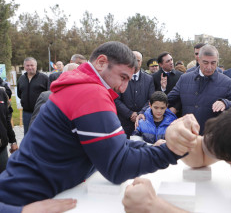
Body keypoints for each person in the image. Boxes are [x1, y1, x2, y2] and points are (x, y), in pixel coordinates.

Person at [0, 41, 197, 208]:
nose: (123, 87)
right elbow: (117, 166)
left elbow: (114, 145)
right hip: (22, 200)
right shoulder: (90, 93)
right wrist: (173, 150)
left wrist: (150, 147)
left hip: (25, 192)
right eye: (123, 77)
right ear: (101, 62)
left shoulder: (81, 87)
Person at [167, 44, 231, 135]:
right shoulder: (184, 79)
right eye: (205, 62)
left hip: (212, 138)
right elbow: (168, 99)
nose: (209, 67)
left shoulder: (227, 82)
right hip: (188, 136)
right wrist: (145, 111)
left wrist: (225, 103)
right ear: (199, 60)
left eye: (213, 63)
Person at [115, 51, 155, 137]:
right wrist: (130, 114)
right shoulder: (120, 78)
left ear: (141, 62)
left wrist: (140, 113)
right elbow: (116, 99)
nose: (135, 63)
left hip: (143, 122)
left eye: (138, 60)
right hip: (124, 122)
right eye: (133, 60)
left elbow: (151, 99)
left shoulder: (149, 79)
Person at [17, 57, 49, 135]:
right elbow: (19, 94)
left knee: (41, 134)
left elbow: (49, 94)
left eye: (32, 65)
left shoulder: (44, 78)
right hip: (26, 113)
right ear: (24, 66)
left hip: (40, 112)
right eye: (27, 65)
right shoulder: (21, 78)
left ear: (36, 65)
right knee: (27, 134)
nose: (30, 67)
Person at [0, 87, 18, 173]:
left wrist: (13, 141)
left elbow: (7, 120)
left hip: (1, 147)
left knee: (3, 177)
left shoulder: (1, 93)